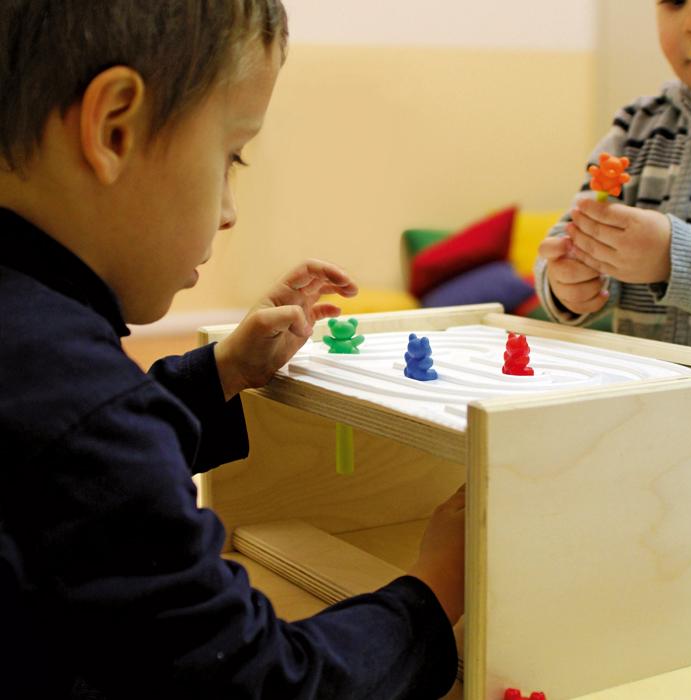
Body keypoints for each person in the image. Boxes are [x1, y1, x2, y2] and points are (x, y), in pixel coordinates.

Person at [0, 2, 465, 698]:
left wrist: (221, 373)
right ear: (114, 128)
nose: (228, 212)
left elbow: (68, 466)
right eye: (230, 156)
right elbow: (265, 684)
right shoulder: (83, 409)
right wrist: (435, 590)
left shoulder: (40, 365)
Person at [536, 0, 691, 347]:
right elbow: (574, 230)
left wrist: (676, 255)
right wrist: (570, 280)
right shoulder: (634, 126)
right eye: (675, 2)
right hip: (645, 381)